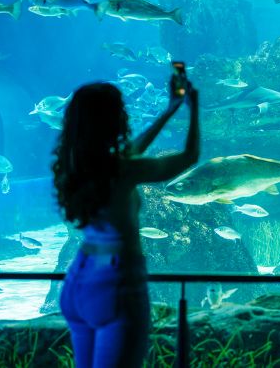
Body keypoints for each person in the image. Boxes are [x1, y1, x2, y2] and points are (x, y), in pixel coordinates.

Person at [53, 73, 200, 368]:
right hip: (116, 283)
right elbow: (189, 157)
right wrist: (194, 108)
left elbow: (131, 151)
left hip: (80, 280)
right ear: (114, 120)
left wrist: (169, 111)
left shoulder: (74, 164)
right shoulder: (123, 169)